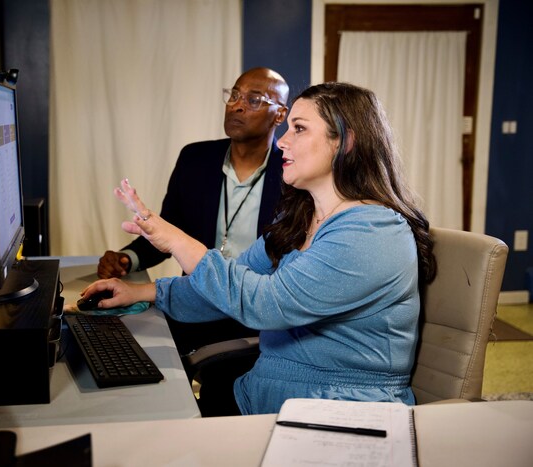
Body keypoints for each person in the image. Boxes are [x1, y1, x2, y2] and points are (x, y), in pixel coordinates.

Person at [83, 82, 437, 415]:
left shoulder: (372, 231)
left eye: (299, 129)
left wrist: (176, 240)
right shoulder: (299, 219)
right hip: (264, 395)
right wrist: (140, 292)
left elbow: (266, 304)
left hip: (338, 410)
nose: (281, 142)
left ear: (345, 142)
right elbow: (230, 282)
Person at [97, 67, 290, 356]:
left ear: (279, 115)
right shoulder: (195, 159)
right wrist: (128, 259)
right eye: (234, 95)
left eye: (253, 100)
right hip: (194, 303)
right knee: (127, 351)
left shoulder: (293, 175)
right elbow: (171, 230)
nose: (237, 104)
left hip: (254, 317)